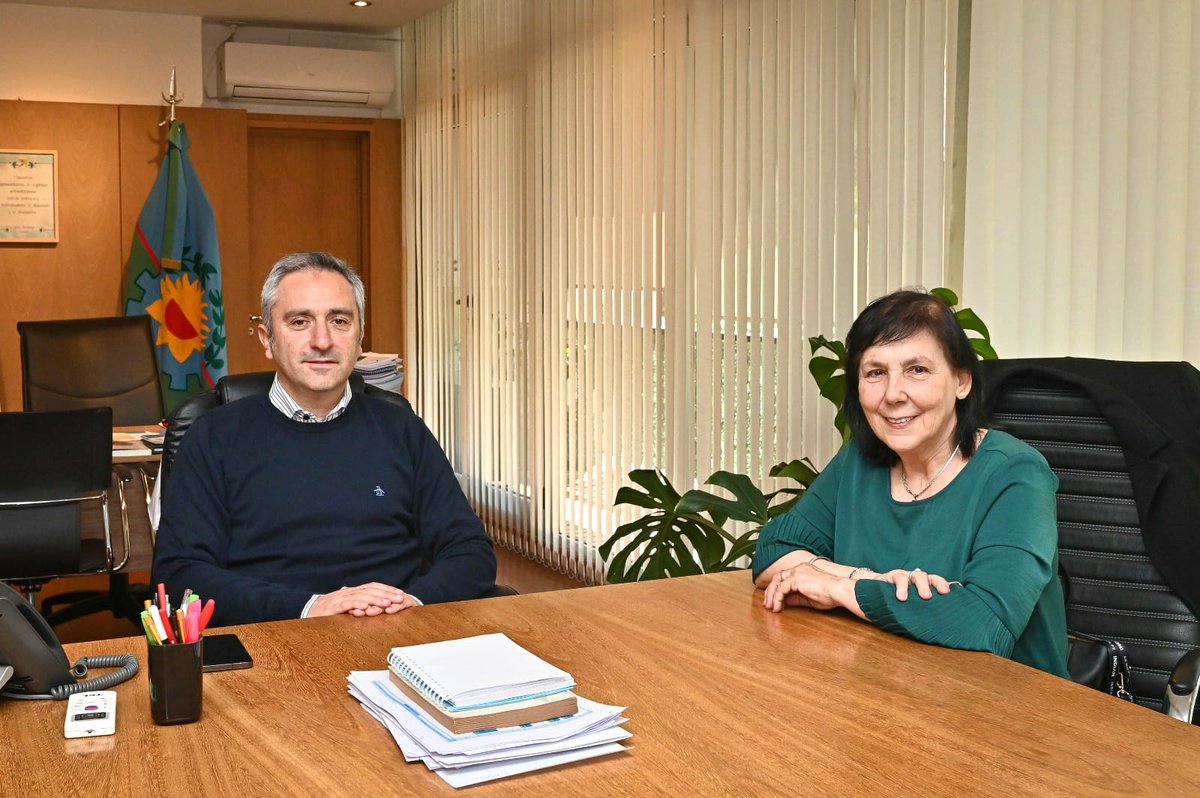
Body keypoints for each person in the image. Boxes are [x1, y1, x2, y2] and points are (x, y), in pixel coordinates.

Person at [153, 251, 497, 626]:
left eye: (339, 321)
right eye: (300, 321)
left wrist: (413, 601)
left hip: (396, 637)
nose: (322, 340)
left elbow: (469, 550)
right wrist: (310, 606)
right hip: (272, 642)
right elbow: (179, 576)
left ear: (360, 338)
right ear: (267, 340)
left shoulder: (401, 428)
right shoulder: (212, 437)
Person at [752, 289, 1068, 677]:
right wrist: (871, 578)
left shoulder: (1017, 474)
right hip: (887, 691)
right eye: (875, 373)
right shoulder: (860, 460)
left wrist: (838, 588)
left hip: (1008, 713)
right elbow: (773, 552)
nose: (893, 394)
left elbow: (984, 623)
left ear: (961, 381)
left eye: (917, 370)